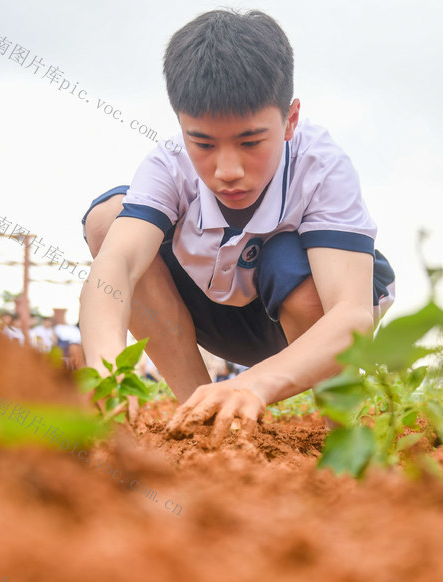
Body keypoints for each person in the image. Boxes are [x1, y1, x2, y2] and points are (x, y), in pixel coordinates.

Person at [79, 9, 396, 440]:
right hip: (210, 316)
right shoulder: (168, 165)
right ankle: (205, 415)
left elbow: (350, 313)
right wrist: (105, 365)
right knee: (107, 220)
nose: (227, 169)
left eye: (250, 142)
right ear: (181, 126)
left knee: (287, 260)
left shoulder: (320, 166)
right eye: (203, 142)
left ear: (290, 120)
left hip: (305, 329)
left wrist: (252, 383)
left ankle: (340, 431)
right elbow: (115, 263)